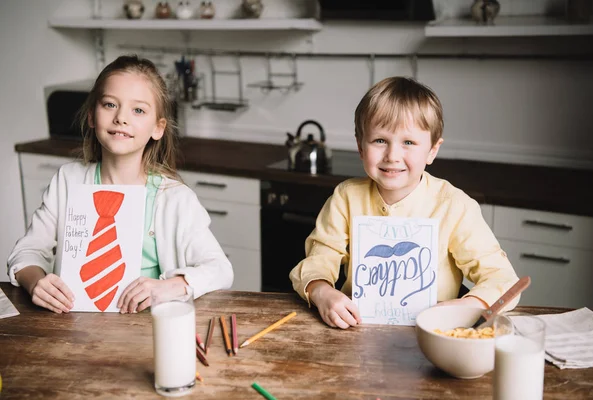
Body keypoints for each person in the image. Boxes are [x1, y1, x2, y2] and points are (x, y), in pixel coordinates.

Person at [7, 55, 233, 314]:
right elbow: (27, 251)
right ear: (92, 116)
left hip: (149, 328)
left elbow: (220, 269)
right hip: (74, 328)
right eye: (110, 104)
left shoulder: (176, 198)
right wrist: (35, 281)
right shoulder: (67, 182)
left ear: (158, 128)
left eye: (138, 110)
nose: (121, 118)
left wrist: (174, 285)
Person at [289, 77, 520, 329]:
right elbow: (318, 260)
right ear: (360, 146)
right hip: (356, 331)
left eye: (408, 142)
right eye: (379, 140)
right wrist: (322, 293)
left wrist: (468, 305)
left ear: (432, 150)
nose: (392, 156)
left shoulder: (455, 206)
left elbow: (503, 279)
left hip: (436, 335)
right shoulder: (345, 198)